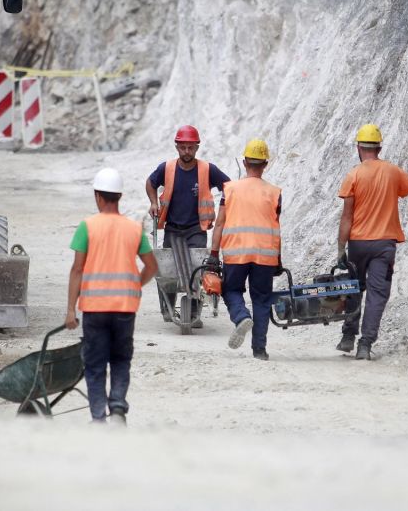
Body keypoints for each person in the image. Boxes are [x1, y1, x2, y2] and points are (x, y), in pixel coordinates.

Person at [335, 123, 408, 360]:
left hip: (358, 244)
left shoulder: (353, 175)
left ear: (359, 147)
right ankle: (365, 345)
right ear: (379, 147)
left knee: (354, 289)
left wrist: (341, 250)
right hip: (384, 246)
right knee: (378, 294)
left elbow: (347, 217)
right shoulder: (393, 172)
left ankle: (348, 336)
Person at [65, 167, 158, 425]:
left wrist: (71, 309)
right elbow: (152, 267)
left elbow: (77, 269)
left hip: (94, 308)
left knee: (95, 365)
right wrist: (135, 285)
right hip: (125, 308)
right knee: (120, 360)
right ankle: (117, 409)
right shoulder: (133, 228)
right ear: (119, 196)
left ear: (98, 196)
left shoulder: (87, 227)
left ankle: (98, 417)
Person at [145, 124, 230, 325]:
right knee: (167, 269)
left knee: (196, 268)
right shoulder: (167, 168)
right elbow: (150, 183)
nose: (186, 152)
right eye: (183, 147)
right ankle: (167, 307)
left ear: (197, 147)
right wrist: (153, 202)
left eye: (190, 147)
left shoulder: (207, 169)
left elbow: (228, 186)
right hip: (172, 227)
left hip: (196, 228)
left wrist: (225, 207)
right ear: (177, 147)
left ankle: (193, 311)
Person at [208, 139, 283, 361]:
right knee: (261, 299)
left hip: (236, 252)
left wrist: (213, 254)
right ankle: (259, 350)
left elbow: (220, 223)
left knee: (231, 290)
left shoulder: (229, 189)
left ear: (244, 161)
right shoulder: (275, 192)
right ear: (265, 164)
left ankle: (241, 317)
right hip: (265, 255)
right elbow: (276, 226)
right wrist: (278, 258)